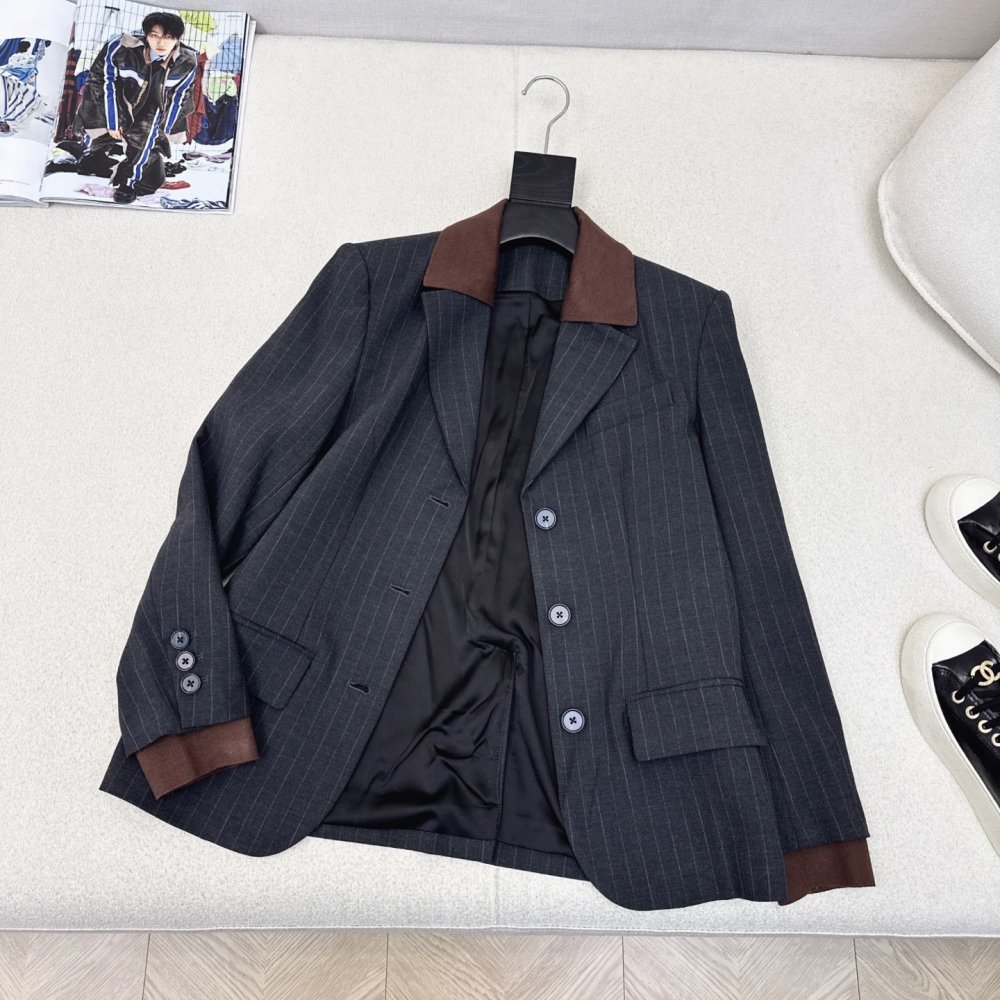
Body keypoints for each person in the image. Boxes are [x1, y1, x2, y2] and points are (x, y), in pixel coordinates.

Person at [74, 13, 197, 203]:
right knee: (102, 134)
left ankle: (128, 184)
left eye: (168, 37)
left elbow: (180, 95)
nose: (161, 42)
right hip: (119, 97)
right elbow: (103, 81)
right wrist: (113, 120)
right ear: (146, 35)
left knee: (145, 142)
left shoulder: (187, 61)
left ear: (178, 39)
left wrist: (165, 128)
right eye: (155, 35)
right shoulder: (120, 48)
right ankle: (93, 158)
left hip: (154, 106)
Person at [0, 39, 47, 134]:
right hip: (17, 79)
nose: (2, 128)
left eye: (1, 129)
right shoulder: (12, 118)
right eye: (5, 129)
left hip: (11, 75)